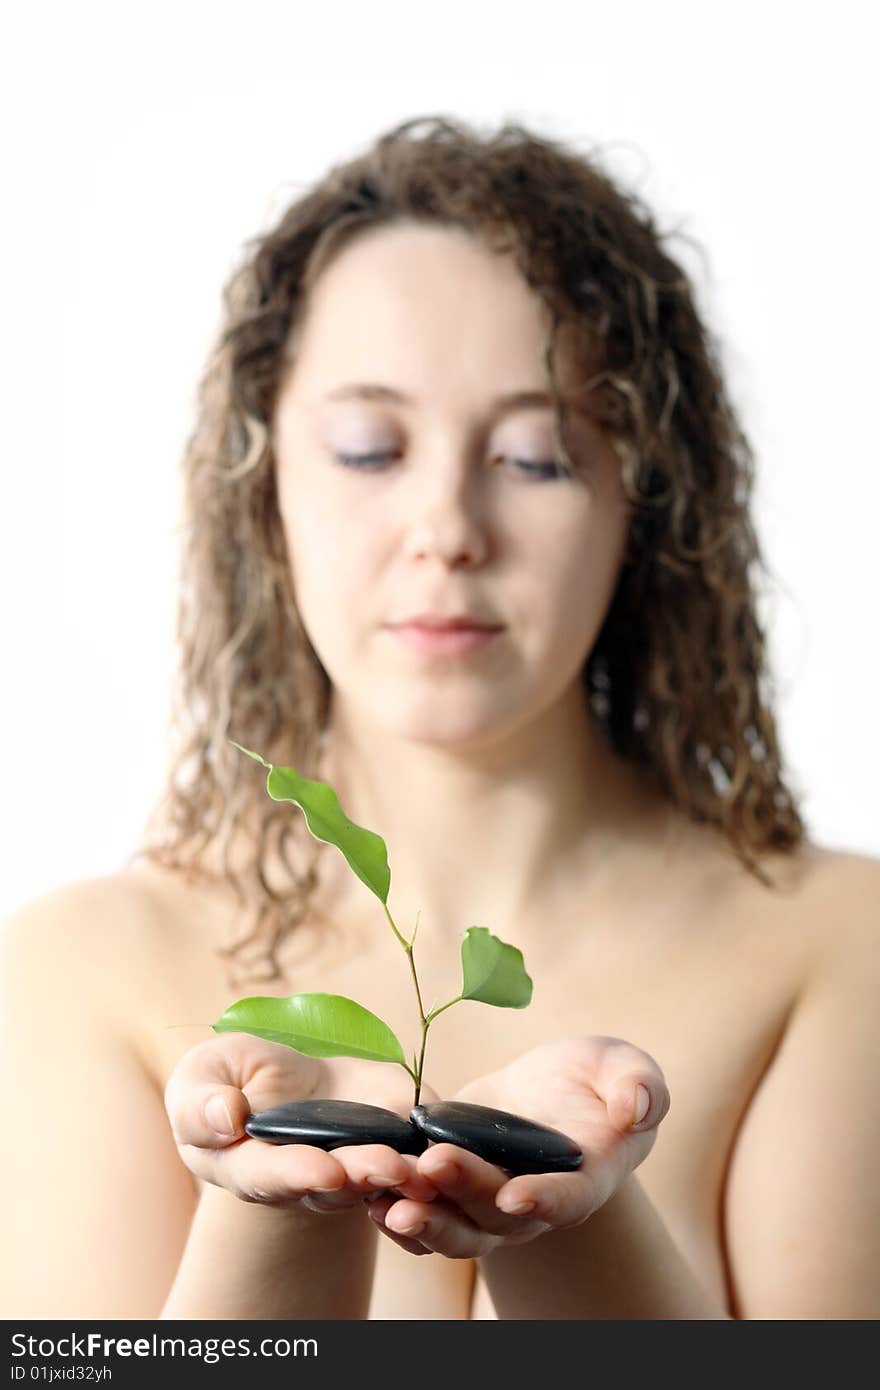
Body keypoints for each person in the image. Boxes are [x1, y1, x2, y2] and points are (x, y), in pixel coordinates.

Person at [2, 114, 878, 1322]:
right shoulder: (76, 969)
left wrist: (576, 1214)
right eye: (369, 448)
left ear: (647, 505)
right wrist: (271, 1213)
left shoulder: (841, 945)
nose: (446, 528)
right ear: (266, 491)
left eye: (535, 458)